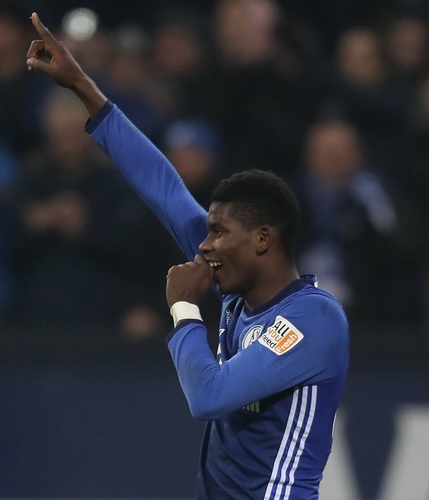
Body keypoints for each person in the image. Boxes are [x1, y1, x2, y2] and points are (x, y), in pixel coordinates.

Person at [26, 12, 349, 499]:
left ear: (262, 239)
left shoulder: (312, 319)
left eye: (219, 232)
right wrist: (83, 87)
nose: (203, 244)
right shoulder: (239, 287)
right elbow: (162, 187)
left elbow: (210, 396)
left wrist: (182, 312)